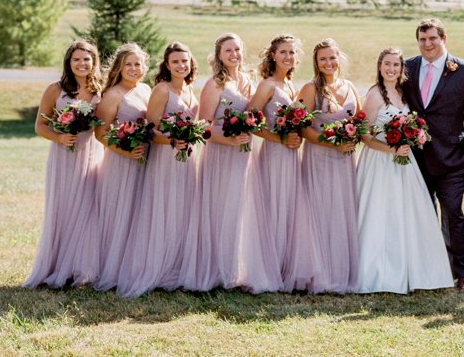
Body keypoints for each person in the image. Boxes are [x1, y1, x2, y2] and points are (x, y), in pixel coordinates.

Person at [356, 47, 454, 294]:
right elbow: (364, 134)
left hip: (405, 163)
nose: (391, 69)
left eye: (396, 65)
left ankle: (412, 270)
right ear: (380, 66)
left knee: (406, 214)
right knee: (379, 214)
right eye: (387, 64)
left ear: (401, 69)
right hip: (379, 162)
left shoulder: (403, 93)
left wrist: (415, 137)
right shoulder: (374, 94)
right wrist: (390, 148)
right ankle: (376, 273)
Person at [402, 18, 464, 292]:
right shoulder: (409, 67)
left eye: (432, 39)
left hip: (454, 159)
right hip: (417, 158)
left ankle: (458, 274)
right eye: (422, 40)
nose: (427, 44)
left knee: (452, 213)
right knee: (422, 214)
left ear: (443, 38)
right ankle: (425, 270)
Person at [241, 34, 325, 294]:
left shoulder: (290, 85)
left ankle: (284, 266)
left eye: (292, 53)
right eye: (283, 52)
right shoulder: (267, 85)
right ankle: (269, 269)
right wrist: (278, 137)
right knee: (274, 205)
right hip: (274, 154)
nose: (288, 57)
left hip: (290, 156)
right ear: (273, 55)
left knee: (288, 205)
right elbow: (249, 120)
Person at [117, 41, 200, 297]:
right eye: (175, 61)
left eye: (185, 61)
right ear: (167, 65)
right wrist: (173, 140)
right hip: (164, 158)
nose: (181, 65)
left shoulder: (189, 88)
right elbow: (150, 130)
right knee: (163, 210)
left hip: (185, 158)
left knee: (182, 211)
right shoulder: (162, 90)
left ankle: (176, 267)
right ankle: (157, 269)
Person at [24, 39, 104, 289]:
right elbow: (40, 125)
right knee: (64, 209)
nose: (82, 63)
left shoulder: (100, 90)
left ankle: (83, 269)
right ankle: (58, 266)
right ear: (69, 63)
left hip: (92, 155)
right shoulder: (56, 89)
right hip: (63, 156)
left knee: (89, 211)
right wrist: (59, 136)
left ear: (94, 62)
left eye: (87, 59)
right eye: (77, 59)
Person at [179, 33, 254, 291]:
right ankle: (218, 270)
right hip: (222, 154)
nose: (234, 54)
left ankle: (237, 268)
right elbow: (204, 125)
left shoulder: (248, 80)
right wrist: (229, 139)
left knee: (241, 209)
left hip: (245, 154)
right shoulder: (214, 84)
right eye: (228, 50)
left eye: (237, 49)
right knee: (222, 209)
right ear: (219, 55)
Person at [299, 38, 362, 294]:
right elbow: (302, 127)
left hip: (344, 161)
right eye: (323, 59)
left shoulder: (349, 87)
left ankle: (343, 271)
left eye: (332, 57)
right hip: (319, 158)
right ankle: (321, 272)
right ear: (316, 62)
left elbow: (360, 120)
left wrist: (352, 137)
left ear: (339, 58)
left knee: (343, 211)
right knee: (321, 211)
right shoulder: (310, 88)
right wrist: (332, 143)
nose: (328, 63)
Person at [93, 42, 152, 292]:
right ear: (118, 67)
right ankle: (112, 270)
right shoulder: (113, 94)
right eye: (128, 64)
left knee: (139, 214)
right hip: (120, 162)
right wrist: (124, 150)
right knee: (120, 213)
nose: (133, 68)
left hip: (146, 160)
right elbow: (100, 132)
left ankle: (135, 266)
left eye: (137, 64)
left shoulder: (147, 89)